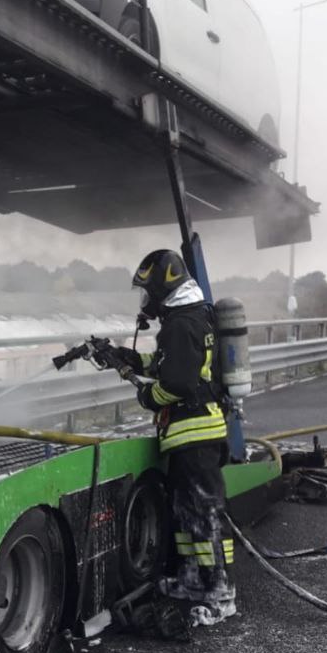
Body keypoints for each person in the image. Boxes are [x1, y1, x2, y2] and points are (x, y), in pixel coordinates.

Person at [107, 249, 235, 622]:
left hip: (195, 434)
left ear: (164, 287)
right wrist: (135, 361)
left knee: (204, 513)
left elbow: (178, 383)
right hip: (190, 436)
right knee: (185, 513)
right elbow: (173, 363)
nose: (145, 300)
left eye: (147, 291)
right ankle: (192, 580)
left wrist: (149, 397)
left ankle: (219, 592)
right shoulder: (190, 318)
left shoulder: (181, 324)